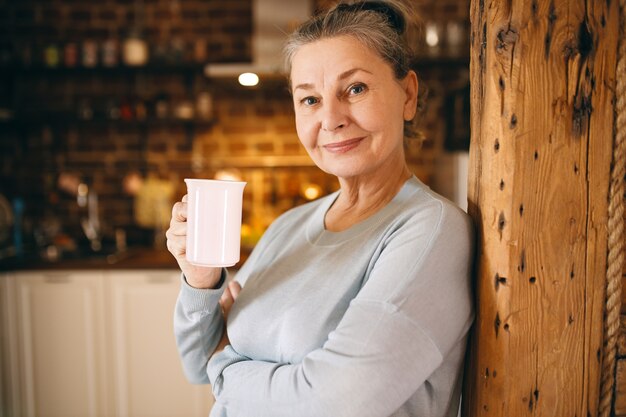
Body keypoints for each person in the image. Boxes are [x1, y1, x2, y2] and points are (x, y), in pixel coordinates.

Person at [166, 1, 474, 416]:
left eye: (356, 89)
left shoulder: (431, 230)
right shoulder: (288, 227)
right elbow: (194, 365)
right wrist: (202, 282)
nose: (331, 119)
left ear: (408, 95)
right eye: (309, 99)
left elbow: (336, 402)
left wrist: (225, 366)